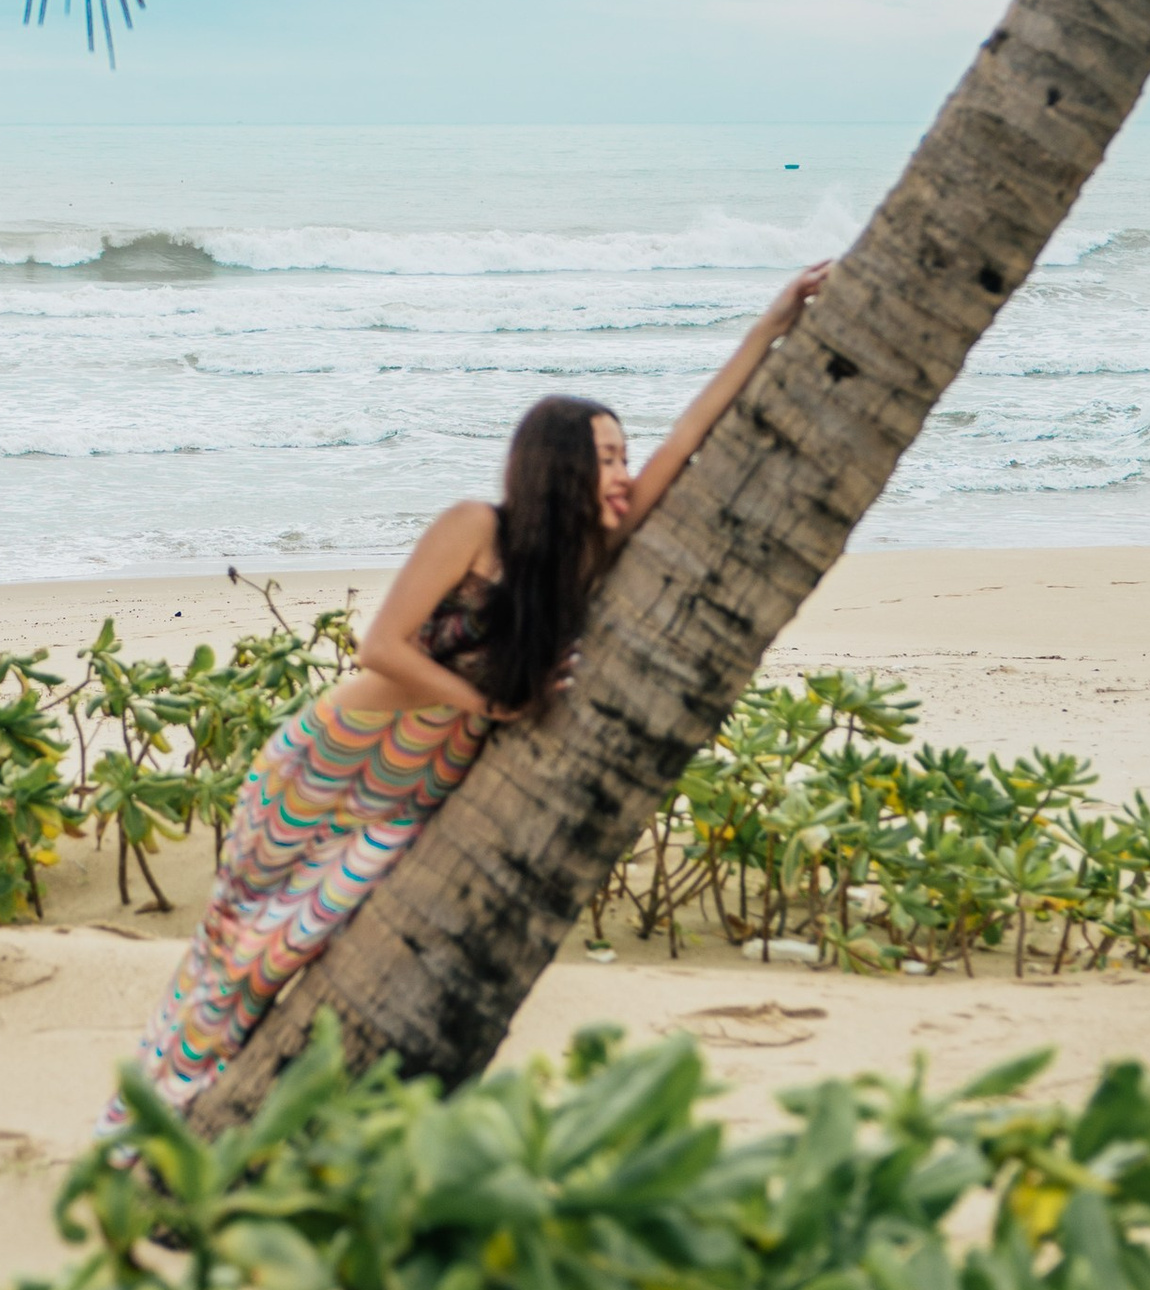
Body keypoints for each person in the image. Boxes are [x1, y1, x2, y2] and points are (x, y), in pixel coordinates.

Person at [109, 263, 833, 1126]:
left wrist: (771, 327)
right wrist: (486, 705)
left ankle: (227, 1108)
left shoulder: (585, 560)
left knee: (290, 956)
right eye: (605, 457)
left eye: (625, 455)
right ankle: (153, 1114)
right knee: (232, 950)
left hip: (411, 799)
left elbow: (689, 439)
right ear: (557, 467)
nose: (625, 472)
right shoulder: (475, 528)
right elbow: (378, 644)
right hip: (326, 768)